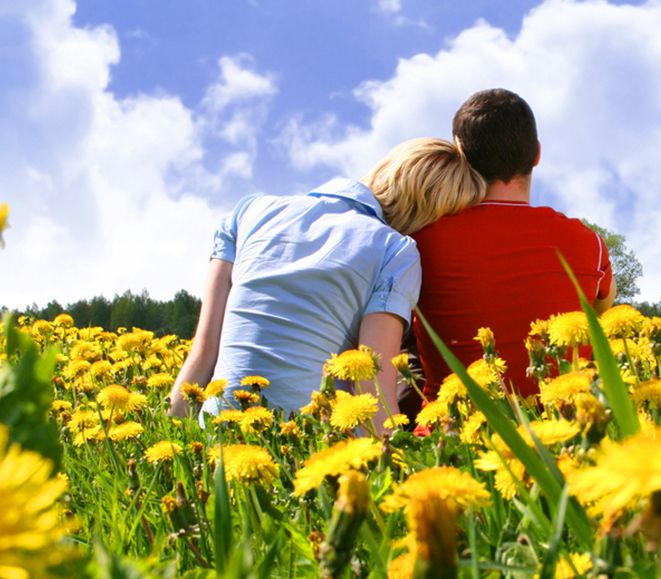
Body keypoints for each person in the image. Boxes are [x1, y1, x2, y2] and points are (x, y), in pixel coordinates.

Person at [167, 138, 486, 429]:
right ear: (425, 214)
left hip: (218, 438)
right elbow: (370, 388)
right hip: (311, 442)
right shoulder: (396, 252)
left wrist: (173, 437)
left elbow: (204, 349)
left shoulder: (248, 212)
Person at [412, 89, 616, 401]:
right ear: (537, 154)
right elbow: (604, 307)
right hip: (570, 428)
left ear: (460, 156)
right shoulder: (589, 243)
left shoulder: (420, 241)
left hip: (455, 437)